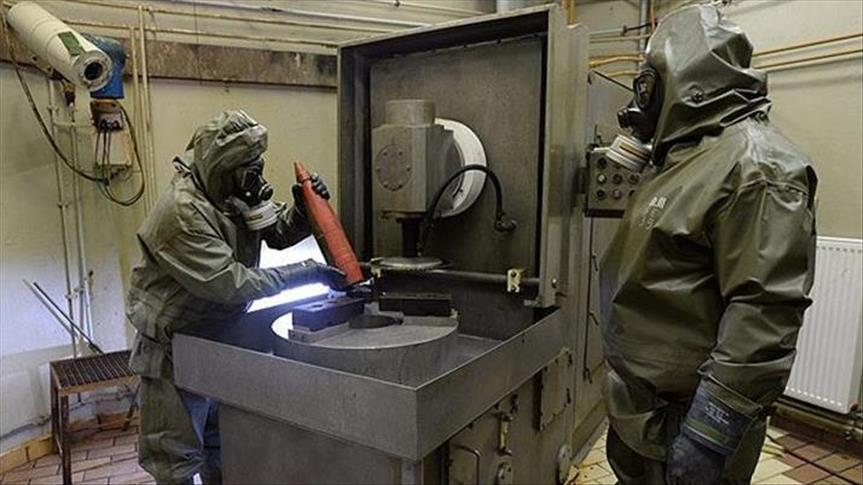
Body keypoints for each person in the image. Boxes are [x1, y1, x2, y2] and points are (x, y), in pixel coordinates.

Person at [600, 5, 817, 485]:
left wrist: (708, 433)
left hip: (686, 419)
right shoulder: (682, 157)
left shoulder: (758, 168)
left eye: (647, 83)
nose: (640, 99)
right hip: (641, 411)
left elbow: (764, 310)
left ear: (683, 78)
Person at [126, 110, 344, 484]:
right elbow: (231, 284)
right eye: (248, 167)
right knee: (176, 460)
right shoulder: (182, 212)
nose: (256, 177)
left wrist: (303, 210)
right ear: (222, 166)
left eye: (257, 165)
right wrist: (307, 272)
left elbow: (277, 234)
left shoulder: (232, 195)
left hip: (218, 338)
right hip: (172, 348)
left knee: (221, 443)